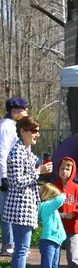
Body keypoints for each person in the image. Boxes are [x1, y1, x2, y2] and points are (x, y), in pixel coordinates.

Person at [4, 116, 52, 268]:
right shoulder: (16, 152)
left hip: (27, 206)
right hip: (19, 207)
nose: (37, 134)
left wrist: (42, 167)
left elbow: (34, 164)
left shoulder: (25, 151)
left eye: (38, 131)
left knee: (23, 250)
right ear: (23, 131)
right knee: (21, 251)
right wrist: (38, 171)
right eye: (34, 131)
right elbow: (16, 182)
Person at [0, 97, 29, 256]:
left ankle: (13, 243)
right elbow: (2, 152)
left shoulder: (15, 126)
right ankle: (8, 244)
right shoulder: (6, 127)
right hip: (7, 176)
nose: (26, 111)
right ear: (14, 111)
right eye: (23, 108)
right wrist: (3, 177)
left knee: (13, 210)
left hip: (14, 174)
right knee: (7, 212)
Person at [53, 157, 78, 268]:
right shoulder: (54, 187)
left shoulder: (76, 188)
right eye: (62, 168)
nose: (64, 171)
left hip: (72, 226)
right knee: (55, 254)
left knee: (73, 255)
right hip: (56, 227)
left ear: (72, 171)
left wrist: (75, 213)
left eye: (67, 169)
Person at [38, 183, 66, 268]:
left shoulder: (50, 207)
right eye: (54, 195)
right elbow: (61, 198)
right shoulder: (46, 206)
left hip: (55, 240)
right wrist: (62, 192)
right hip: (49, 240)